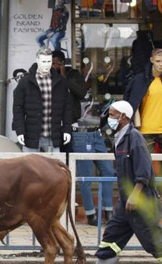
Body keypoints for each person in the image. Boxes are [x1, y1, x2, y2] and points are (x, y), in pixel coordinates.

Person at [73, 100, 162, 264]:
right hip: (126, 201)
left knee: (152, 239)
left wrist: (135, 195)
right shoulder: (120, 138)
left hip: (141, 199)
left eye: (114, 114)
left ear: (124, 117)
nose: (110, 118)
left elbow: (144, 170)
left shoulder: (135, 138)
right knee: (112, 235)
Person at [52, 50, 114, 225]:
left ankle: (108, 211)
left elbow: (80, 91)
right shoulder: (52, 78)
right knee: (86, 176)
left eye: (58, 63)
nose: (55, 67)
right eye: (53, 63)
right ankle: (91, 214)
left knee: (108, 171)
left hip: (96, 131)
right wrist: (60, 77)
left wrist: (65, 76)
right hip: (78, 132)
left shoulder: (77, 76)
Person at [124, 48, 162, 172]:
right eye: (158, 61)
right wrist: (128, 127)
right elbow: (130, 104)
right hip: (145, 130)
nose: (161, 64)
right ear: (152, 60)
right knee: (145, 167)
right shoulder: (140, 79)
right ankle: (148, 191)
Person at [12, 47, 72, 152]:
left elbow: (67, 107)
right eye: (43, 61)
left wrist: (67, 129)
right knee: (30, 167)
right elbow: (18, 108)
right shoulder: (25, 82)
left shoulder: (60, 81)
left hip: (54, 135)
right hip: (31, 135)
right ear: (37, 60)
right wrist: (20, 130)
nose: (46, 64)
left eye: (49, 61)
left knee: (54, 167)